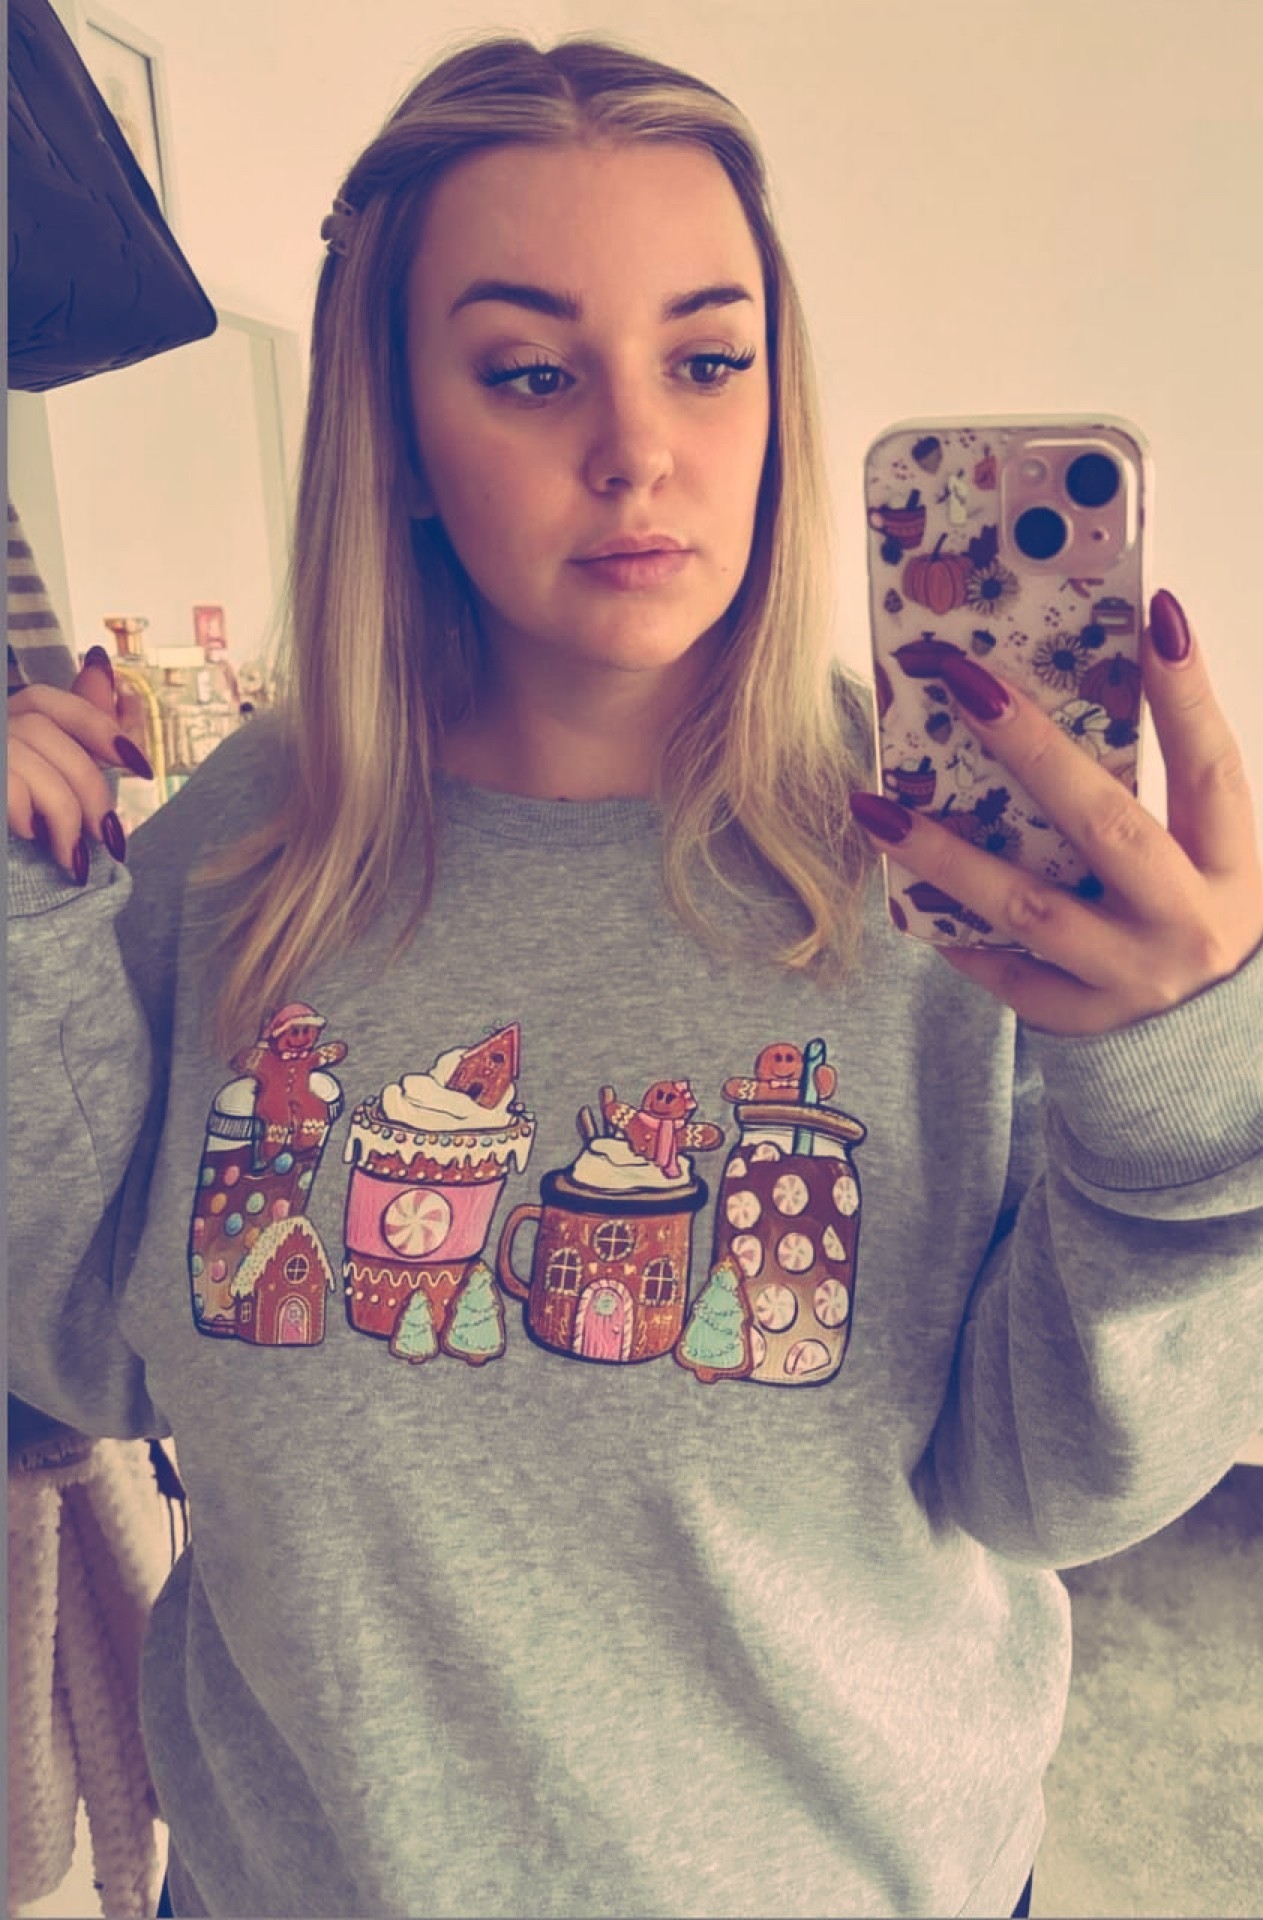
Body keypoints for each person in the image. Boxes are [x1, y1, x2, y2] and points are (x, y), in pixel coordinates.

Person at [8, 32, 1263, 1920]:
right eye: (530, 371)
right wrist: (19, 921)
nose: (640, 449)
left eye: (707, 358)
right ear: (397, 433)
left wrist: (1185, 1121)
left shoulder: (942, 870)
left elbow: (1050, 1489)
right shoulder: (247, 846)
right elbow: (89, 1354)